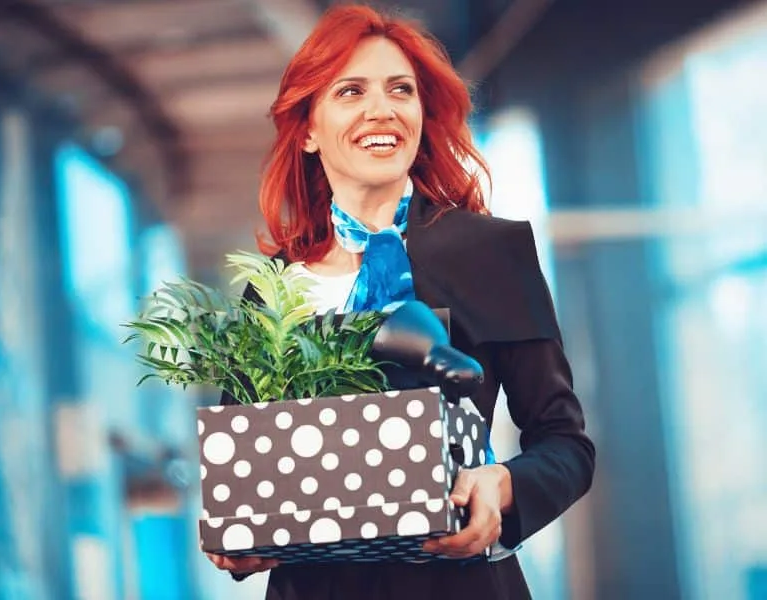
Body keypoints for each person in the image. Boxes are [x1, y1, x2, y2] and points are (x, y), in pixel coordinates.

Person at [206, 4, 595, 599]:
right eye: (351, 91)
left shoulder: (490, 253)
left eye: (400, 90)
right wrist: (238, 538)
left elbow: (565, 443)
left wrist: (501, 485)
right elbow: (245, 467)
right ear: (308, 129)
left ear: (421, 113)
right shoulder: (273, 288)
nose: (381, 110)